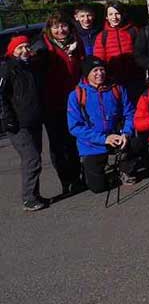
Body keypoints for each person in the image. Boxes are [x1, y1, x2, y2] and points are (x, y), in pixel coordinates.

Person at [32, 10, 85, 194]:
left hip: (75, 102)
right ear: (49, 29)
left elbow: (82, 68)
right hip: (53, 104)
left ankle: (78, 176)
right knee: (59, 144)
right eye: (55, 27)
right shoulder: (43, 47)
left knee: (74, 141)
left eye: (63, 26)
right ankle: (67, 180)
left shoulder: (76, 43)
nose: (60, 30)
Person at [67, 57, 139, 192]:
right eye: (95, 71)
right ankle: (95, 169)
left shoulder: (117, 89)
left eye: (102, 69)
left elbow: (130, 113)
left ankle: (124, 169)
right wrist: (104, 139)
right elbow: (75, 127)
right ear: (87, 74)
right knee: (98, 188)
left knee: (136, 141)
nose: (99, 73)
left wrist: (126, 132)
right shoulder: (76, 95)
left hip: (117, 136)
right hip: (92, 143)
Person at [1, 36, 51, 210]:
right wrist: (7, 118)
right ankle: (29, 198)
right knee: (32, 159)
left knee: (34, 158)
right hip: (17, 124)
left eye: (26, 47)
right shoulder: (7, 68)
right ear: (12, 51)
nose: (24, 50)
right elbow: (1, 96)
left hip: (33, 119)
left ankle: (34, 195)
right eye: (20, 47)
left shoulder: (31, 66)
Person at [94, 1, 139, 93]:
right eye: (110, 14)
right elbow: (99, 60)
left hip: (134, 77)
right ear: (106, 17)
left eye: (117, 13)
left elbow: (140, 53)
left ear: (123, 14)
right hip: (113, 80)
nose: (114, 17)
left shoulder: (133, 31)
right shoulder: (102, 36)